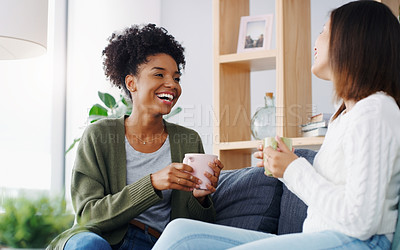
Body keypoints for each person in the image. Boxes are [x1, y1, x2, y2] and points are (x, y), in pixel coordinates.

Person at [151, 1, 400, 249]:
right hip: (324, 237)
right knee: (182, 233)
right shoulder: (345, 116)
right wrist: (286, 165)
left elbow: (361, 221)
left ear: (351, 41)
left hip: (359, 242)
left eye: (324, 31)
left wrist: (291, 169)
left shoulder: (375, 110)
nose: (317, 39)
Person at [47, 24, 224, 250]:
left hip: (158, 243)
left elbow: (195, 234)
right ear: (131, 83)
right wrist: (152, 184)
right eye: (159, 74)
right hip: (102, 240)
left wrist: (199, 198)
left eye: (176, 78)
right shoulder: (99, 135)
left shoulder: (188, 140)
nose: (172, 84)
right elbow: (88, 215)